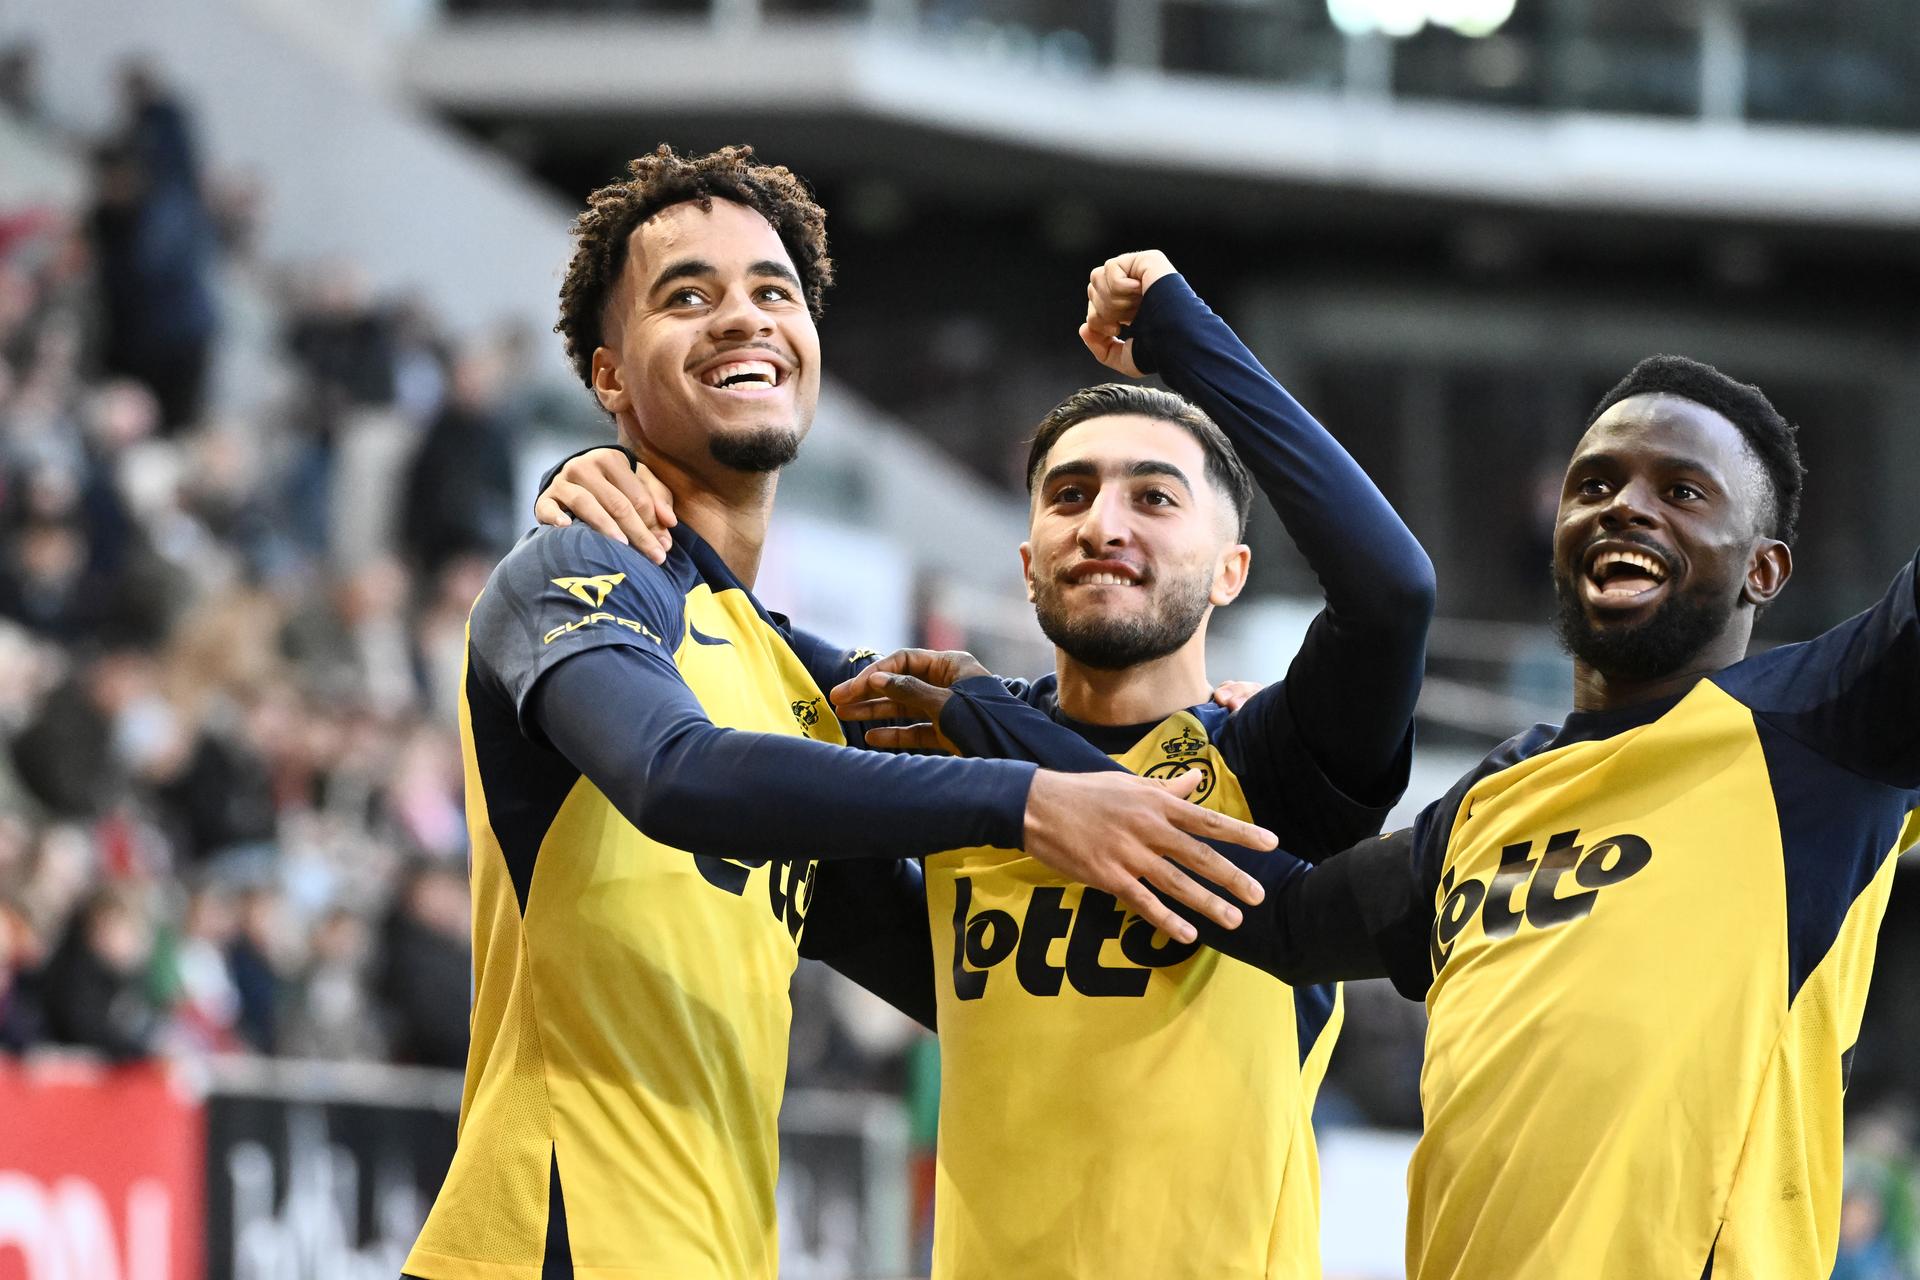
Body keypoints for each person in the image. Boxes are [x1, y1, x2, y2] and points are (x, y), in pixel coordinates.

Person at [402, 145, 1273, 1280]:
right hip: (541, 1248)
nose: (742, 317)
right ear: (610, 377)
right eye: (687, 296)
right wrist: (1025, 801)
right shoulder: (575, 567)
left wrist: (1210, 722)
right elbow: (675, 773)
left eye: (774, 291)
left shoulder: (791, 679)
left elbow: (970, 965)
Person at [920, 353, 1919, 1278]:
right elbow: (1272, 915)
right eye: (1595, 484)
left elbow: (1388, 591)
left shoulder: (1825, 729)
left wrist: (1185, 335)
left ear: (1763, 570)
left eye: (1683, 491)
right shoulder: (1490, 801)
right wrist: (1005, 726)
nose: (1625, 506)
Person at [548, 249, 1435, 1277]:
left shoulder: (1269, 765)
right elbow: (736, 635)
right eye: (1070, 495)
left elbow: (1391, 594)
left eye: (1155, 498)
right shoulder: (941, 748)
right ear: (1027, 563)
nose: (1102, 524)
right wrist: (618, 485)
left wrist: (1184, 335)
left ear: (1231, 570)